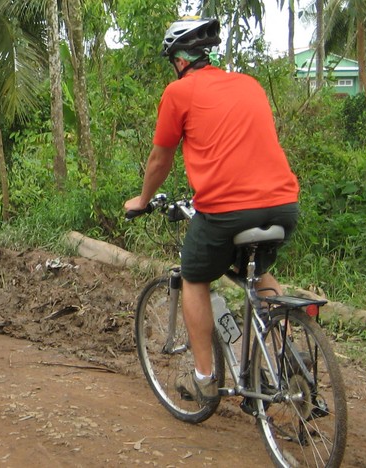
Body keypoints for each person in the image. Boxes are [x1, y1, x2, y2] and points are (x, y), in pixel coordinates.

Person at [122, 18, 300, 404]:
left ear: (179, 60)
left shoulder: (179, 92)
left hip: (227, 210)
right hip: (284, 204)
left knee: (194, 277)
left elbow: (160, 158)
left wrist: (142, 198)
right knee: (260, 273)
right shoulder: (248, 84)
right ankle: (288, 359)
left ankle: (205, 378)